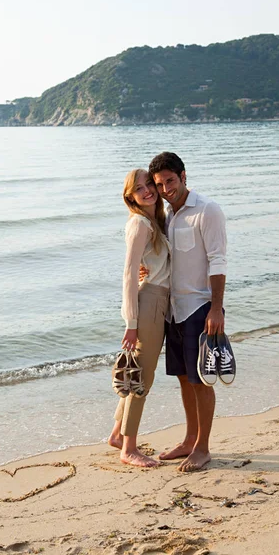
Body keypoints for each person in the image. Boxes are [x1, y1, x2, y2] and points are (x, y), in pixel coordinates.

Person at [146, 151, 227, 472]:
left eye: (170, 181)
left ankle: (203, 448)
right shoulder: (168, 215)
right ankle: (190, 439)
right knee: (182, 377)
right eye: (159, 184)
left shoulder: (207, 210)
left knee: (201, 380)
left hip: (199, 308)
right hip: (173, 311)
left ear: (183, 176)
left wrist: (217, 309)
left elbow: (218, 260)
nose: (166, 188)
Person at [108, 168, 171, 467]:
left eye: (150, 184)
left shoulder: (153, 221)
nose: (147, 190)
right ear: (129, 196)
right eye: (139, 188)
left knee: (138, 374)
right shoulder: (139, 224)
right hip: (149, 305)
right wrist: (131, 323)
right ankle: (129, 450)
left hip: (158, 300)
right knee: (143, 379)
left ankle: (118, 435)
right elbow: (129, 274)